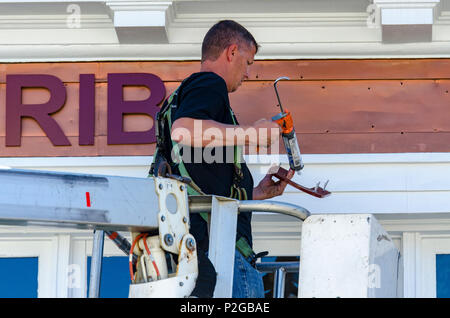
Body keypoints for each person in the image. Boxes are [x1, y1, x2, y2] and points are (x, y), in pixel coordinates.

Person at [152, 20, 294, 298]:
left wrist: (255, 193)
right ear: (231, 52)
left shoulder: (183, 97)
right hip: (222, 257)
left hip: (202, 256)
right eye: (248, 62)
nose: (248, 73)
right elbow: (183, 131)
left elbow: (202, 180)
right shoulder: (209, 83)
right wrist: (252, 134)